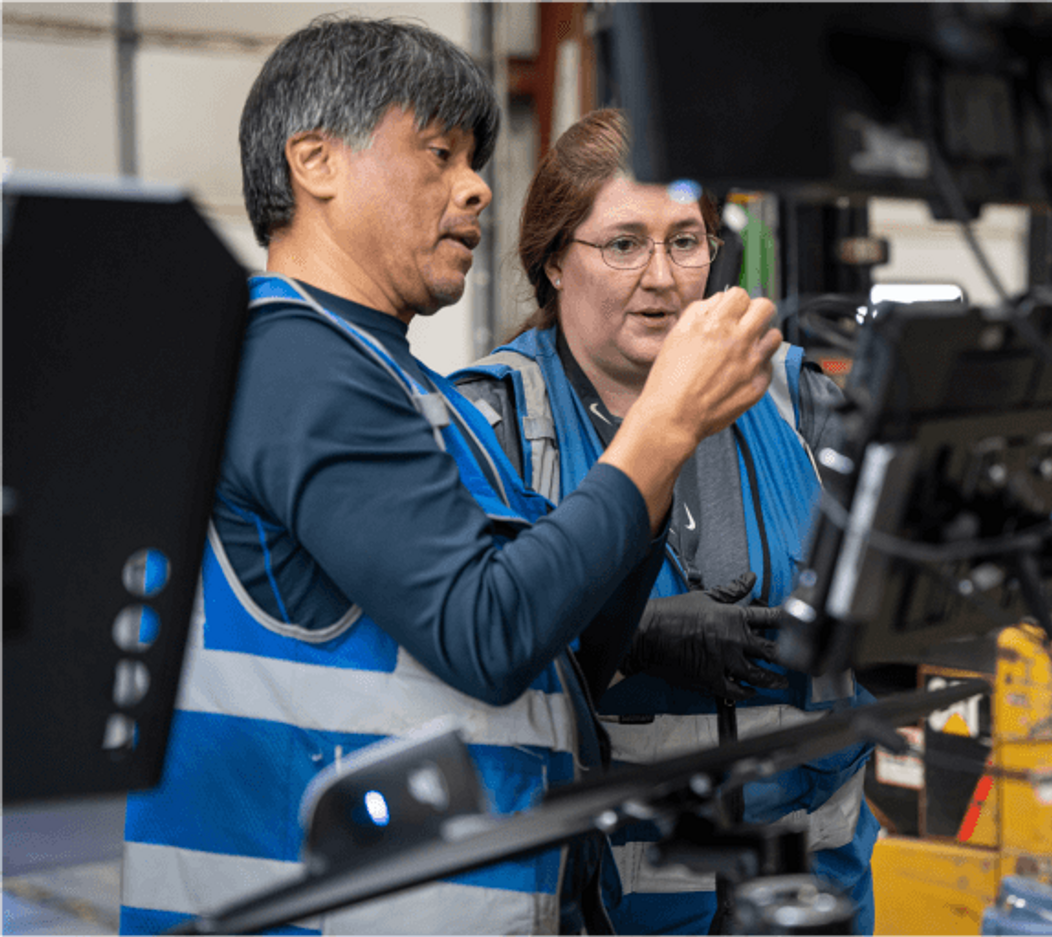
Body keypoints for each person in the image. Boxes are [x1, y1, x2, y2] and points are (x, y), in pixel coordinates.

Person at [119, 19, 779, 937]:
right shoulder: (292, 361)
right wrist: (664, 426)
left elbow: (562, 654)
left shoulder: (417, 394)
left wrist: (650, 459)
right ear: (315, 162)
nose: (476, 187)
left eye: (475, 160)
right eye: (439, 154)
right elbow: (489, 633)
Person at [452, 109, 878, 937]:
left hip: (805, 895)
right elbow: (464, 660)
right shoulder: (493, 423)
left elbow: (897, 593)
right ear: (552, 261)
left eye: (686, 240)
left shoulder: (795, 396)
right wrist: (633, 636)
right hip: (605, 908)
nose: (661, 276)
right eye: (623, 243)